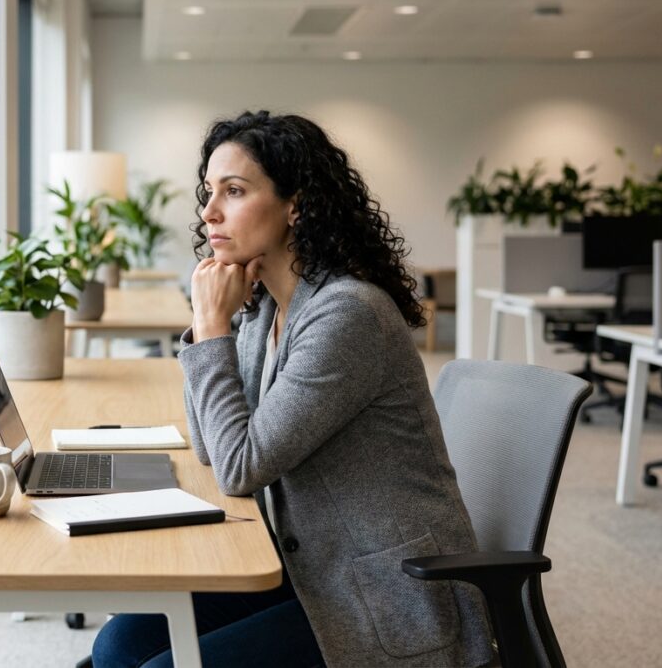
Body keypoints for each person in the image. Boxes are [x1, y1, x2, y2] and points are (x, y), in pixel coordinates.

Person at [91, 111, 493, 668]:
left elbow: (239, 468)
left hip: (386, 597)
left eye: (234, 191)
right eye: (209, 191)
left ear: (296, 206)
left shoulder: (347, 315)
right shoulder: (266, 309)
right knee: (118, 644)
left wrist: (211, 327)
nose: (209, 212)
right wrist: (214, 326)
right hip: (314, 568)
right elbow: (212, 447)